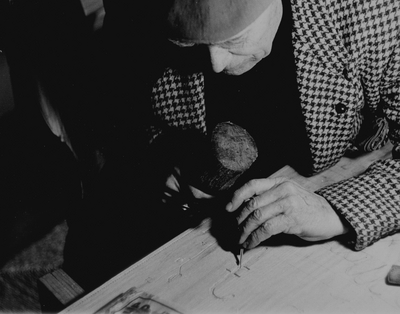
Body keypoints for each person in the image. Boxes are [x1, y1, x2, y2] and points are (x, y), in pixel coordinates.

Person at [64, 0, 400, 291]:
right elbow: (117, 106)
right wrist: (160, 156)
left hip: (328, 179)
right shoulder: (136, 9)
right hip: (184, 216)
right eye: (188, 44)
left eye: (234, 39)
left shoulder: (371, 11)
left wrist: (335, 212)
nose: (216, 64)